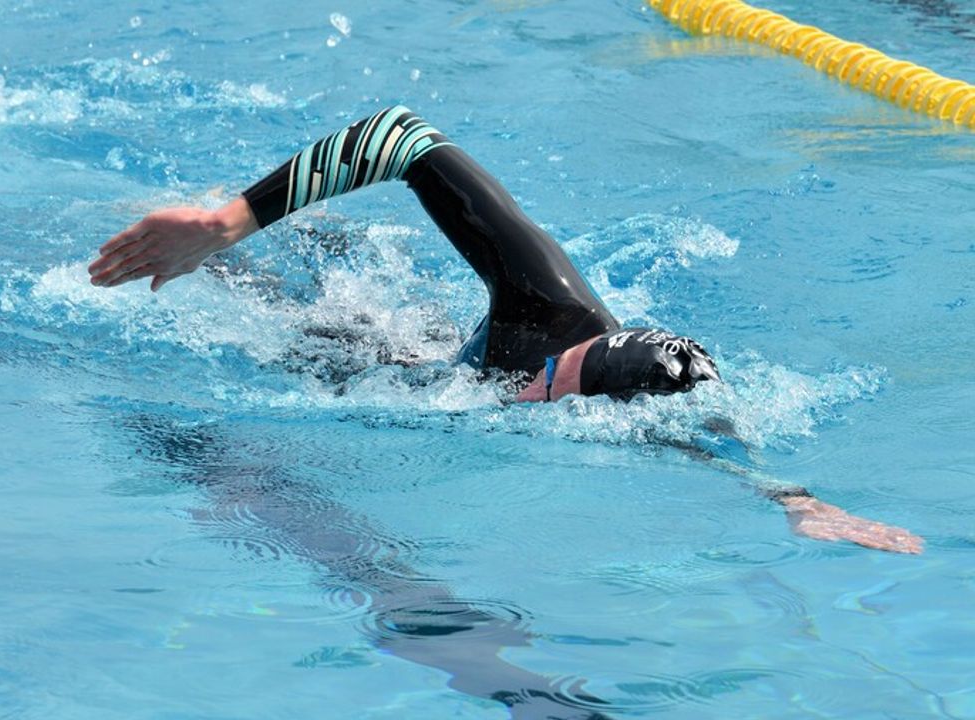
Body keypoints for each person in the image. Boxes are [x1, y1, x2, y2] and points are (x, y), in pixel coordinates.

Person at [88, 106, 923, 555]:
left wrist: (796, 501)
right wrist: (229, 222)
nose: (543, 390)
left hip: (413, 375)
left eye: (560, 392)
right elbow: (400, 134)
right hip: (380, 366)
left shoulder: (623, 401)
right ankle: (180, 232)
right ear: (576, 360)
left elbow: (701, 434)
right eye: (557, 378)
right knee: (304, 322)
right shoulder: (550, 305)